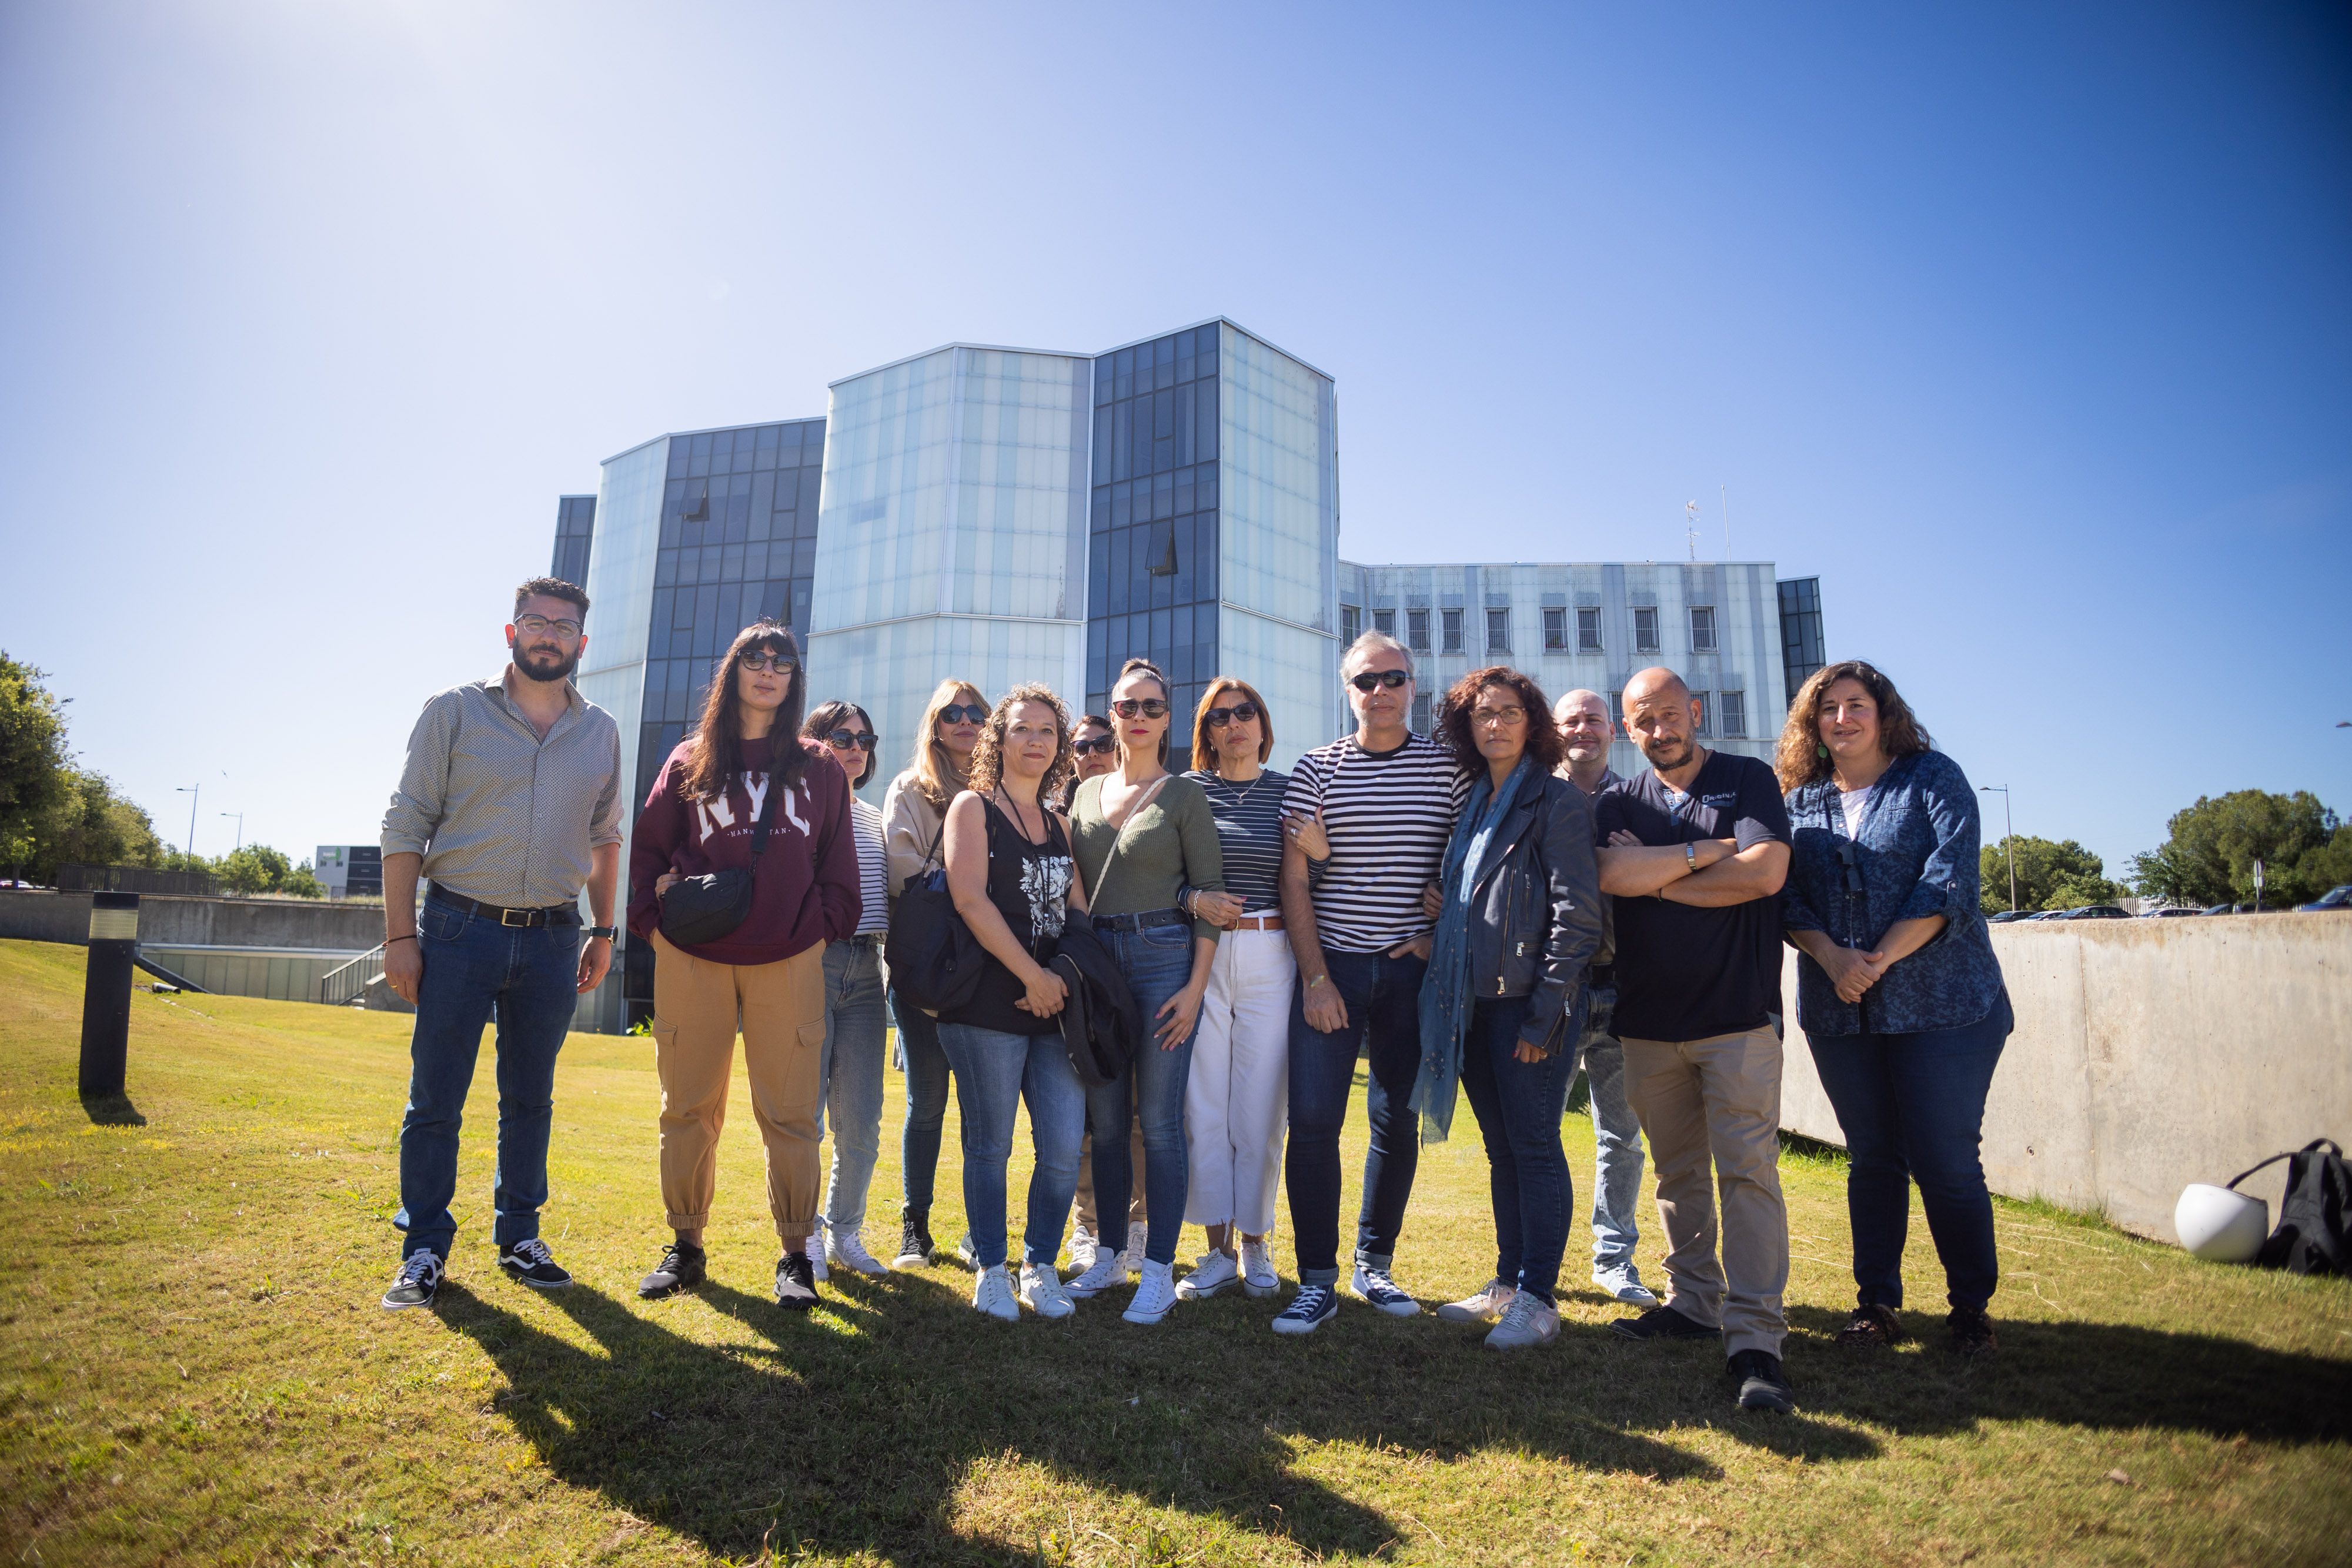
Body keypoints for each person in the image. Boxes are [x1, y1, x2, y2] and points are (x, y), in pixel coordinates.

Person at [377, 578, 622, 1310]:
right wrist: (398, 935)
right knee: (436, 1099)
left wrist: (604, 930)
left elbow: (606, 836)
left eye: (564, 626)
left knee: (531, 1098)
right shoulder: (453, 711)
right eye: (536, 622)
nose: (549, 634)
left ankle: (520, 1235)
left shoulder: (601, 730)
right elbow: (404, 824)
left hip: (554, 937)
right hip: (458, 930)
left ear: (581, 642)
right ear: (510, 633)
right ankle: (423, 1248)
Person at [1776, 661, 2012, 1358]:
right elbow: (1784, 897)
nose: (1842, 719)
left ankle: (1970, 1308)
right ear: (1811, 724)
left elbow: (1949, 881)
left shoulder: (1931, 779)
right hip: (1841, 1011)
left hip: (1947, 1008)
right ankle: (1876, 1304)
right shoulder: (1799, 801)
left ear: (1884, 715)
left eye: (1856, 705)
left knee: (1944, 1160)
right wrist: (1830, 958)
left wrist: (1873, 960)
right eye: (1828, 709)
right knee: (1873, 1160)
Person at [626, 623, 861, 1310]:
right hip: (693, 959)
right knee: (687, 1110)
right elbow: (646, 857)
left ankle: (794, 1256)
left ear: (793, 679)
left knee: (789, 1117)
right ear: (733, 671)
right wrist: (654, 930)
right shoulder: (689, 760)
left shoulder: (818, 767)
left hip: (787, 959)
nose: (767, 670)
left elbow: (839, 872)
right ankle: (687, 1246)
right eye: (754, 659)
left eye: (780, 661)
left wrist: (815, 933)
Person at [1594, 667, 1796, 1413]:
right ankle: (1692, 1304)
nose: (1659, 730)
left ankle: (1755, 1340)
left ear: (1695, 712)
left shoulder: (1746, 779)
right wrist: (1707, 854)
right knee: (1676, 1177)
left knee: (1746, 1174)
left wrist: (1657, 876)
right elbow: (1610, 871)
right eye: (1643, 720)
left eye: (1670, 714)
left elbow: (1767, 873)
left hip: (1738, 1020)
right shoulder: (1619, 798)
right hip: (1649, 1026)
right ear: (1627, 728)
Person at [1272, 630, 1470, 1335]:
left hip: (1411, 973)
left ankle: (1374, 1265)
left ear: (1411, 685)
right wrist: (1316, 977)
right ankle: (1317, 1281)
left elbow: (1467, 866)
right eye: (1364, 681)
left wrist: (1434, 933)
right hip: (1335, 970)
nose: (1379, 692)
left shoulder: (1448, 769)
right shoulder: (1315, 769)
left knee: (1395, 1119)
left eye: (1391, 678)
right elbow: (1293, 879)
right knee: (1315, 1122)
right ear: (1346, 690)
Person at [1421, 668, 1603, 1350]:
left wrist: (1546, 1015)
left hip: (1530, 1005)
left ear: (1532, 724)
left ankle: (1539, 1298)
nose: (1493, 724)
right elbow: (1473, 892)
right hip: (1473, 1002)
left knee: (1533, 1146)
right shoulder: (1474, 803)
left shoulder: (1555, 801)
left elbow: (1576, 917)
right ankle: (1507, 1280)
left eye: (1507, 712)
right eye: (1481, 715)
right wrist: (1447, 907)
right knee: (1503, 1152)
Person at [1063, 658, 1227, 1325]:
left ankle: (1158, 1268)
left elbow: (1213, 904)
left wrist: (1194, 991)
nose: (1137, 718)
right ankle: (1109, 1254)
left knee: (1158, 1125)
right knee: (1104, 1124)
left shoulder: (1185, 796)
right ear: (1112, 712)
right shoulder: (1081, 794)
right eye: (1126, 707)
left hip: (1164, 959)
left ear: (1168, 716)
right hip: (1098, 961)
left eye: (1151, 707)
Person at [936, 685, 1089, 1322]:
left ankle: (1040, 1266)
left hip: (1053, 1009)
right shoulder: (972, 809)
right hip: (984, 1008)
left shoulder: (1059, 822)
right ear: (999, 738)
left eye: (1048, 731)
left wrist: (1053, 978)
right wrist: (1029, 975)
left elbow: (1077, 913)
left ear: (1058, 746)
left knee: (1059, 1148)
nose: (1035, 740)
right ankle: (992, 1270)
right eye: (1022, 728)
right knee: (989, 1147)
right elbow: (970, 900)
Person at [1177, 678, 1295, 1300]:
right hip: (1200, 955)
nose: (1234, 725)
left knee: (1259, 1110)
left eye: (1244, 712)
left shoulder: (1289, 790)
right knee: (1205, 1108)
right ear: (1207, 734)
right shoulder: (1186, 792)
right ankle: (1215, 1249)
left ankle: (1255, 1241)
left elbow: (1316, 875)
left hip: (1270, 953)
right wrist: (1194, 898)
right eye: (1219, 718)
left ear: (1261, 721)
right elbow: (1158, 874)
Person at [1552, 688, 1658, 1308]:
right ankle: (1527, 1261)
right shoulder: (1536, 797)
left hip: (1629, 989)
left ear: (1612, 731)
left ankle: (1614, 1261)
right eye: (1572, 719)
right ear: (1555, 730)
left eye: (1593, 719)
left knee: (1621, 1136)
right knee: (1536, 1136)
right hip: (1556, 990)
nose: (1583, 729)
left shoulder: (1641, 800)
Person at [880, 678, 988, 1270]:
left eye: (976, 712)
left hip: (987, 972)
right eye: (952, 713)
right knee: (926, 1104)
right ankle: (914, 1228)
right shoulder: (911, 788)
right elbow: (902, 871)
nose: (965, 721)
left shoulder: (1001, 790)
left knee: (981, 1109)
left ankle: (978, 1233)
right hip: (924, 970)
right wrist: (972, 882)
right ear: (935, 724)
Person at [801, 699, 892, 1279]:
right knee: (802, 1118)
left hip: (869, 970)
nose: (856, 747)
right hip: (812, 965)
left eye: (864, 738)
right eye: (841, 736)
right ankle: (801, 1235)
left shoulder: (878, 818)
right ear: (813, 743)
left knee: (860, 1118)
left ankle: (845, 1232)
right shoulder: (796, 811)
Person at [1063, 710, 1148, 1274]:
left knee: (1140, 1111)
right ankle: (1088, 1227)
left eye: (1101, 743)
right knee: (1086, 1111)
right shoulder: (1058, 817)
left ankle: (1138, 1225)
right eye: (1082, 746)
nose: (1092, 752)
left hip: (1141, 964)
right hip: (1080, 973)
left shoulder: (1143, 803)